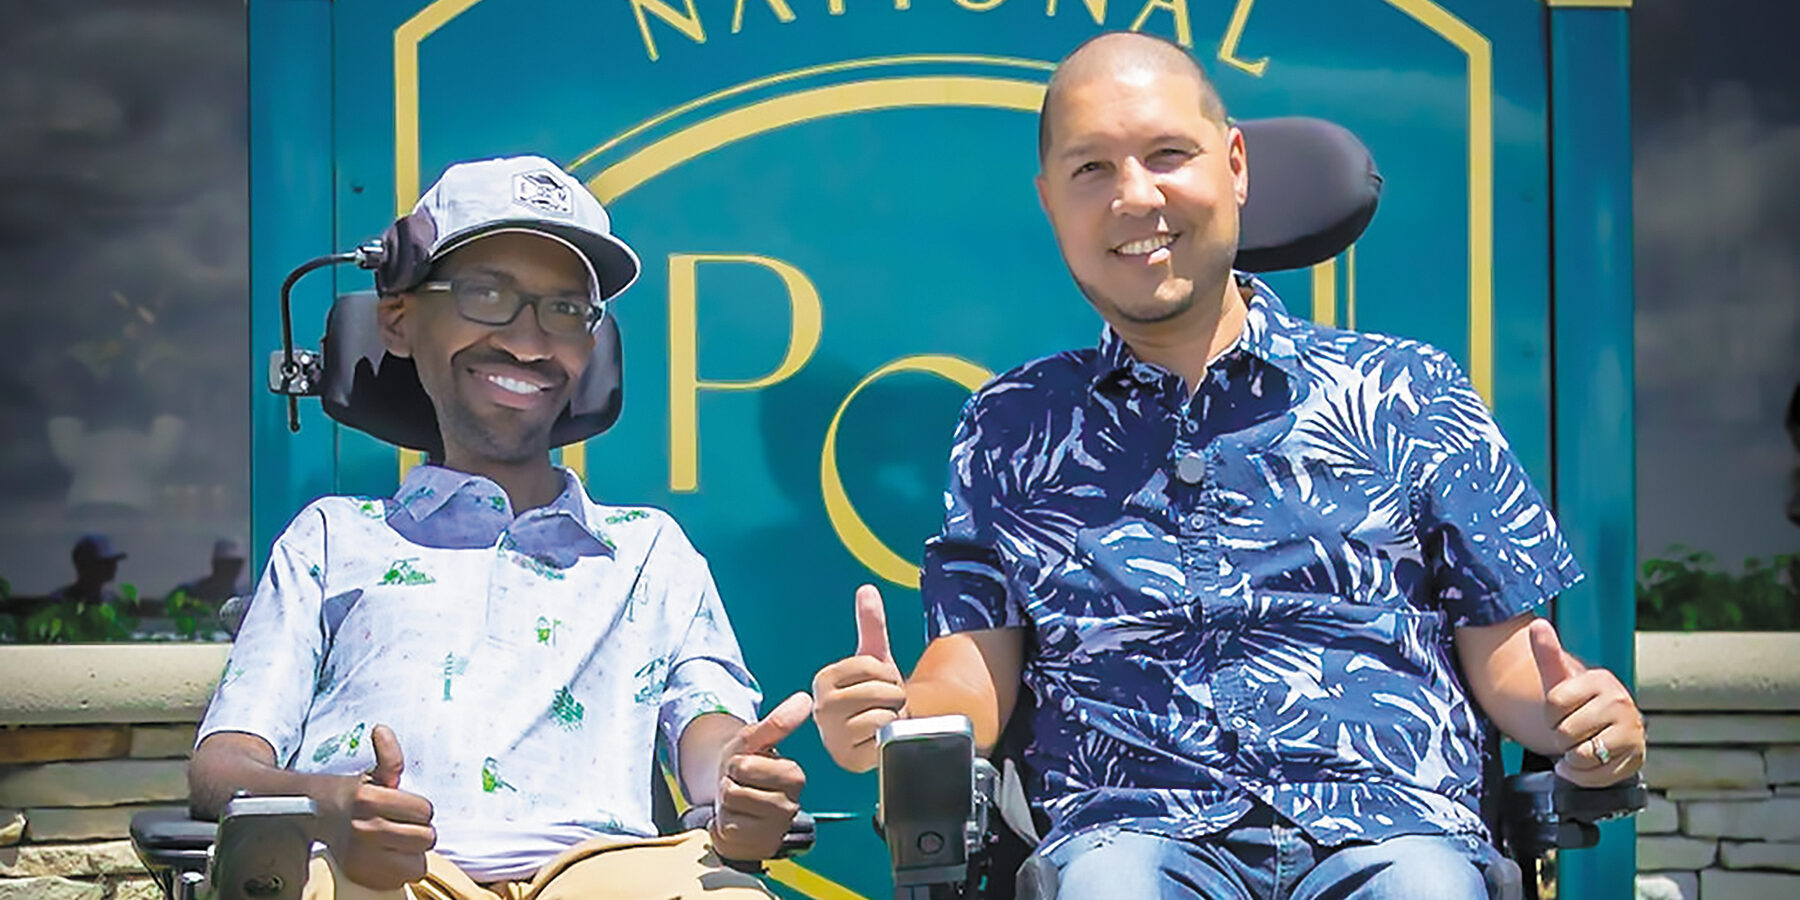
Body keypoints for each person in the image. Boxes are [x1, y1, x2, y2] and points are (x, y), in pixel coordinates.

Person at [811, 33, 1647, 900]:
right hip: (1129, 831)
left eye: (1167, 154)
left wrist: (1575, 717)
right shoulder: (1011, 425)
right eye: (1090, 170)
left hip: (1393, 827)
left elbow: (1509, 662)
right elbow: (969, 670)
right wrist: (899, 721)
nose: (1136, 197)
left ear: (1236, 164)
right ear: (1051, 204)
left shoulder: (1409, 390)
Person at [190, 156, 810, 899]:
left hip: (605, 873)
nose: (527, 341)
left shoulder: (647, 551)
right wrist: (330, 807)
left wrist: (738, 781)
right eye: (487, 294)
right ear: (398, 318)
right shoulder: (332, 539)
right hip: (376, 877)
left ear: (593, 349)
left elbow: (709, 736)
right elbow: (222, 767)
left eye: (566, 310)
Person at [167, 537, 251, 607]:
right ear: (215, 563)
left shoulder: (245, 597)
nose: (230, 569)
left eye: (235, 564)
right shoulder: (188, 594)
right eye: (225, 564)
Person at [50, 533, 128, 606]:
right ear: (83, 565)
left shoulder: (113, 601)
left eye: (113, 561)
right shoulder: (59, 602)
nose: (113, 567)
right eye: (105, 562)